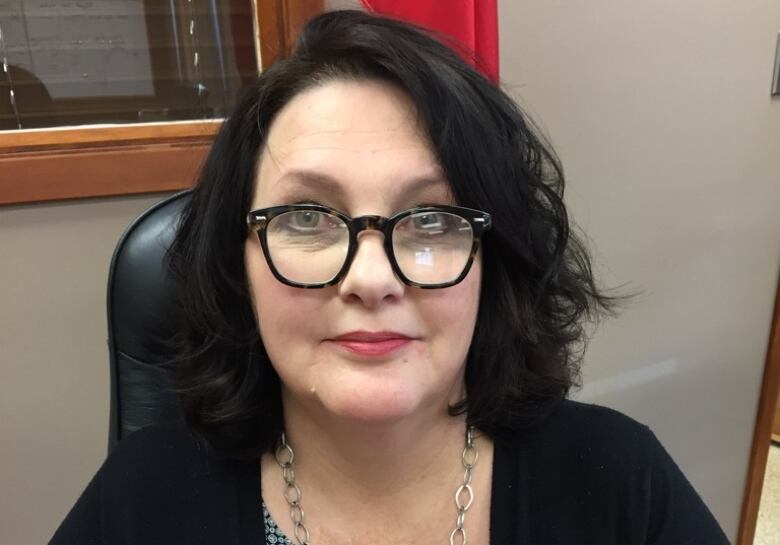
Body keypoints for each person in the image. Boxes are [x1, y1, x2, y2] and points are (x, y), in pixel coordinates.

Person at [50, 10, 731, 545]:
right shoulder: (140, 500)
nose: (372, 279)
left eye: (431, 220)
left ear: (494, 262)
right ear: (240, 262)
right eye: (308, 216)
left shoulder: (619, 483)